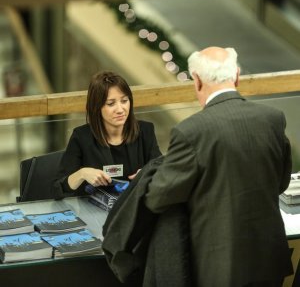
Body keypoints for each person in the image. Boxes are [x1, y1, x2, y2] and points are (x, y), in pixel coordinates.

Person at [144, 46, 293, 287]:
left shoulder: (191, 131)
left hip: (219, 266)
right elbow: (281, 181)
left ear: (197, 80)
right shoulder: (273, 118)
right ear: (236, 75)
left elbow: (158, 198)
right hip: (267, 257)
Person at [54, 71, 162, 199]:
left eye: (124, 101)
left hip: (135, 209)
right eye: (111, 104)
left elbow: (162, 169)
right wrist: (82, 173)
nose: (120, 109)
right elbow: (57, 189)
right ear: (97, 107)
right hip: (93, 213)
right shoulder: (81, 137)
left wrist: (149, 173)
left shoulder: (145, 131)